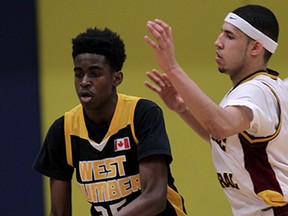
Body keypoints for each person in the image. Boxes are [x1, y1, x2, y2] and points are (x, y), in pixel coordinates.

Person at [144, 4, 288, 216]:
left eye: (229, 36)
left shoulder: (256, 91)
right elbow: (222, 138)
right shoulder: (249, 90)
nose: (218, 42)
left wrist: (172, 68)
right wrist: (183, 108)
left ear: (255, 48)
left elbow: (220, 126)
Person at [33, 27, 187, 216]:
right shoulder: (63, 130)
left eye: (95, 73)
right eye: (78, 73)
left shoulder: (141, 114)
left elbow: (154, 197)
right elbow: (59, 213)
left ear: (116, 78)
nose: (84, 81)